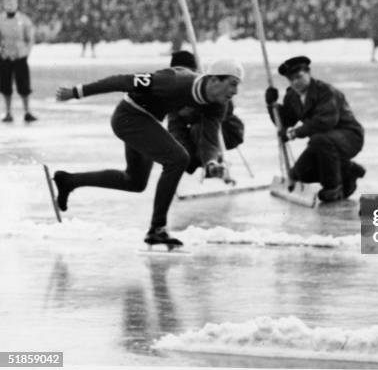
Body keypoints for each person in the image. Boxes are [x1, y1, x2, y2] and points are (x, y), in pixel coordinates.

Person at [52, 57, 244, 246]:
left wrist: (210, 163)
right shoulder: (174, 81)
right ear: (213, 80)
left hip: (148, 122)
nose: (235, 91)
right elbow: (123, 80)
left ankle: (68, 181)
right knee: (178, 159)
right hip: (128, 117)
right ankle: (157, 229)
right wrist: (77, 92)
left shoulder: (218, 104)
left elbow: (210, 138)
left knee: (135, 181)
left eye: (237, 86)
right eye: (232, 84)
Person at [265, 56, 365, 202]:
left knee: (320, 139)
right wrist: (271, 105)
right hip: (322, 143)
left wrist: (294, 133)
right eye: (291, 79)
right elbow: (285, 121)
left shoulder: (325, 91)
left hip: (349, 137)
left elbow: (325, 121)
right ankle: (347, 171)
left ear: (308, 73)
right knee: (298, 175)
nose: (295, 82)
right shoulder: (292, 96)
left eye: (299, 77)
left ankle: (333, 188)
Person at [166, 51, 244, 178]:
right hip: (198, 139)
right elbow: (175, 128)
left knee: (201, 128)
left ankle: (213, 162)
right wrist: (186, 159)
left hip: (226, 132)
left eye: (187, 73)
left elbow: (224, 111)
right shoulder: (174, 95)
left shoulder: (211, 87)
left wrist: (198, 108)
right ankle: (209, 166)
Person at [0, 0, 36, 122]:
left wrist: (26, 52)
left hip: (20, 56)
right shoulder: (0, 19)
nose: (10, 5)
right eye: (7, 3)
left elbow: (30, 39)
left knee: (24, 85)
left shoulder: (24, 20)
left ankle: (27, 111)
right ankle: (8, 112)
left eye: (12, 3)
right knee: (5, 85)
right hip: (5, 56)